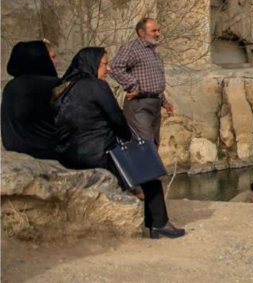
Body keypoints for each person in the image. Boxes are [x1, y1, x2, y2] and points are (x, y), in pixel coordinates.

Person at [52, 47, 184, 239]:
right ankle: (159, 224)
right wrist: (126, 139)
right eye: (104, 64)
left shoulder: (63, 88)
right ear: (92, 64)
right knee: (149, 171)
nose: (109, 69)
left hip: (68, 154)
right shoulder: (97, 86)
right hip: (98, 154)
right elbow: (117, 119)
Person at [108, 18, 174, 146]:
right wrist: (133, 86)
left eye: (158, 30)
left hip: (154, 105)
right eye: (153, 30)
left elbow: (153, 81)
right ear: (141, 32)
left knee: (154, 144)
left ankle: (151, 166)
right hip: (139, 105)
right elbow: (114, 67)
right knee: (145, 145)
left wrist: (164, 102)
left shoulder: (152, 51)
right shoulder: (132, 48)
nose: (158, 34)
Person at [1, 41, 60, 160]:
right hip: (47, 153)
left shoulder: (9, 87)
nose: (56, 61)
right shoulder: (53, 85)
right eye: (52, 57)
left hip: (15, 151)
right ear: (41, 58)